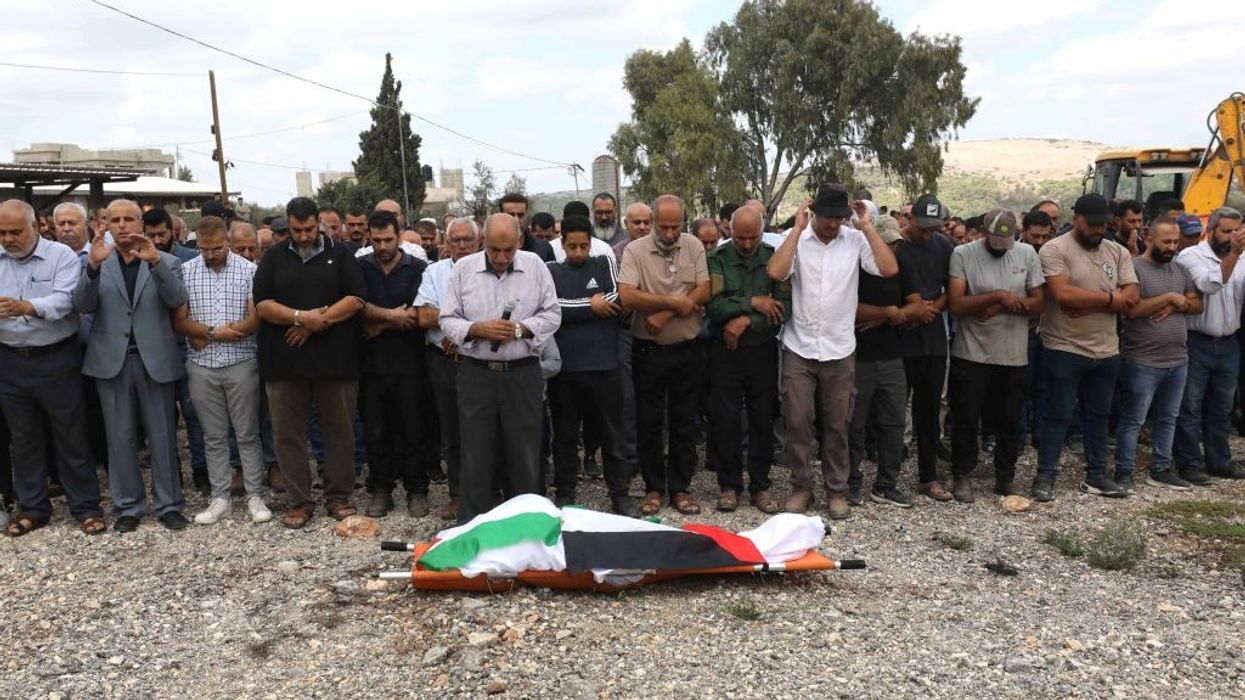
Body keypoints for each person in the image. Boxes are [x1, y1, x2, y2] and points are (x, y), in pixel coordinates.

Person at [768, 185, 898, 519]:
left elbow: (888, 269)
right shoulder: (796, 239)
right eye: (826, 216)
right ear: (814, 212)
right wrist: (796, 229)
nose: (832, 223)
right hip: (799, 345)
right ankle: (801, 486)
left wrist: (866, 226)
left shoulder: (855, 240)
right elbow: (776, 272)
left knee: (838, 424)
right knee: (797, 421)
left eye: (838, 218)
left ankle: (836, 490)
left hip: (839, 348)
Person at [74, 199, 190, 533]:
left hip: (155, 359)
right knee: (119, 437)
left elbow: (177, 299)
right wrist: (92, 269)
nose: (122, 225)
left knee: (163, 436)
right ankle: (128, 506)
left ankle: (169, 505)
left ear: (140, 223)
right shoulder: (96, 260)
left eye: (129, 219)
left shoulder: (166, 260)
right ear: (105, 224)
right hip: (112, 361)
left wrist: (156, 263)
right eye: (115, 220)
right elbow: (82, 304)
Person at [438, 213, 561, 524]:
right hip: (477, 373)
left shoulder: (535, 265)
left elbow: (552, 314)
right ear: (483, 242)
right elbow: (447, 319)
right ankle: (473, 529)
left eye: (509, 250)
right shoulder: (463, 269)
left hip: (522, 373)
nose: (502, 257)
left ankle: (525, 528)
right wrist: (477, 329)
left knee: (524, 455)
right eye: (494, 250)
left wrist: (520, 329)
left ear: (519, 241)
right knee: (476, 456)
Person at [253, 197, 367, 528]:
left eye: (308, 229)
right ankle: (300, 500)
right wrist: (301, 317)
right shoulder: (274, 257)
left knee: (339, 430)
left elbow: (356, 299)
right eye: (296, 230)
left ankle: (338, 496)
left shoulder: (341, 253)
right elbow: (262, 304)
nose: (303, 236)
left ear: (319, 223)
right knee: (288, 434)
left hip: (335, 359)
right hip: (284, 362)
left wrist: (318, 322)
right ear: (288, 226)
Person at [0, 200, 105, 536]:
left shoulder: (61, 256)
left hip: (56, 358)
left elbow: (65, 300)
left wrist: (25, 306)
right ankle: (33, 508)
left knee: (71, 435)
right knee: (24, 439)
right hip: (10, 361)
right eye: (1, 232)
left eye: (15, 231)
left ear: (36, 227)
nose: (7, 239)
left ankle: (86, 507)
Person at [1034, 194, 1140, 501]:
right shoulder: (1056, 249)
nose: (1097, 230)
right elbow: (1063, 294)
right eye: (1091, 224)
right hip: (1064, 346)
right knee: (1058, 414)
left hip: (1106, 350)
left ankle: (1096, 475)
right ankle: (1046, 475)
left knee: (1099, 415)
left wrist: (1093, 302)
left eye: (1102, 225)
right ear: (1076, 218)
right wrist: (1110, 299)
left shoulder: (1117, 251)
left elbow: (1132, 295)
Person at [171, 216, 270, 524]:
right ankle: (220, 497)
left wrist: (210, 333)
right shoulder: (186, 271)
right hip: (202, 364)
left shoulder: (249, 270)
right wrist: (214, 332)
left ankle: (255, 494)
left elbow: (256, 319)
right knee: (212, 435)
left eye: (216, 248)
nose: (210, 254)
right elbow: (179, 320)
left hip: (241, 361)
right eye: (204, 249)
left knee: (247, 433)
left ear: (228, 241)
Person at [618, 195, 710, 516]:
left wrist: (663, 314)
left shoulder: (693, 245)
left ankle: (681, 487)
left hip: (687, 349)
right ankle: (654, 487)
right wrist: (674, 302)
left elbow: (704, 290)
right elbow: (627, 296)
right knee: (649, 422)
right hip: (648, 351)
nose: (670, 234)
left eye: (675, 227)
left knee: (685, 421)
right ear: (654, 222)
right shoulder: (635, 250)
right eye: (664, 227)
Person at [946, 210, 1045, 501]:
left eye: (1006, 242)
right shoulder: (963, 254)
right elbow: (956, 304)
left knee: (1010, 419)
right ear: (983, 232)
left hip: (1013, 353)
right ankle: (962, 473)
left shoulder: (1026, 254)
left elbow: (1039, 302)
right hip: (971, 351)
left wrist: (999, 307)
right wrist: (998, 296)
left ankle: (1005, 474)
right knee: (966, 416)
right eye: (995, 241)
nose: (1001, 248)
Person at [545, 215, 635, 515]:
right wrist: (591, 305)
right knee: (565, 436)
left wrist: (582, 307)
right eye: (572, 246)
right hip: (566, 369)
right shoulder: (551, 270)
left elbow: (616, 297)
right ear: (562, 244)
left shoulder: (603, 262)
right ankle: (566, 493)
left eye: (583, 246)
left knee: (613, 433)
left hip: (604, 365)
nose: (578, 252)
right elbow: (552, 308)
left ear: (591, 243)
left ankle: (619, 494)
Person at [705, 205, 789, 514]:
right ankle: (729, 485)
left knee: (763, 417)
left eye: (753, 237)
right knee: (726, 419)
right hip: (725, 352)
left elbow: (783, 308)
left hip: (761, 350)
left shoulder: (774, 258)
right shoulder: (717, 259)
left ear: (762, 231)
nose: (747, 243)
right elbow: (714, 305)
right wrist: (754, 302)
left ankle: (760, 485)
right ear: (730, 230)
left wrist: (745, 320)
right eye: (740, 237)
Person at [1115, 217, 1203, 491]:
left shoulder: (1179, 269)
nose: (1173, 247)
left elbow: (1197, 303)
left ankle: (1161, 468)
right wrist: (1168, 298)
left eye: (1176, 242)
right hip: (1143, 360)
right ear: (1149, 238)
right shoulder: (1134, 268)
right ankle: (1124, 472)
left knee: (1168, 418)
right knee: (1134, 419)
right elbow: (1131, 309)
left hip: (1178, 360)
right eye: (1167, 242)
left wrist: (1177, 304)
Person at [355, 211, 429, 517]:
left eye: (388, 239)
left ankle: (417, 489)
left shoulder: (418, 269)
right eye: (377, 240)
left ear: (399, 236)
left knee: (414, 428)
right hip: (370, 365)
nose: (383, 246)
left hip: (410, 363)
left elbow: (417, 313)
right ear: (369, 238)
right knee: (376, 431)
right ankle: (381, 489)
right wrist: (392, 316)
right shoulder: (360, 268)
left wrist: (379, 322)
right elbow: (356, 307)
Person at [847, 218, 919, 508]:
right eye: (885, 242)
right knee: (853, 425)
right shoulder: (854, 266)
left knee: (893, 423)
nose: (890, 248)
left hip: (892, 357)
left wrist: (885, 315)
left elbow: (917, 305)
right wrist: (889, 312)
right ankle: (851, 482)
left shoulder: (902, 266)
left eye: (894, 243)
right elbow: (845, 307)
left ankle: (886, 484)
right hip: (857, 357)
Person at [415, 217, 481, 520]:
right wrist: (461, 326)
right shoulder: (434, 272)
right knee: (452, 432)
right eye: (457, 240)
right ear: (446, 243)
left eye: (468, 240)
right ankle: (458, 494)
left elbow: (497, 315)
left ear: (478, 242)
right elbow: (424, 317)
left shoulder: (490, 270)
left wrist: (460, 331)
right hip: (445, 362)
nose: (463, 245)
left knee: (484, 430)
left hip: (480, 360)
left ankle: (488, 492)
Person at [1174, 206, 1245, 482]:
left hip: (1229, 343)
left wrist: (1237, 254)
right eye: (1226, 231)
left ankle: (1219, 461)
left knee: (1222, 407)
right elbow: (1208, 284)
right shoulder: (1191, 256)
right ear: (1210, 230)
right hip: (1197, 341)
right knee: (1190, 406)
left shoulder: (1242, 256)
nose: (1232, 237)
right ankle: (1189, 463)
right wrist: (1234, 254)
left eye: (1236, 231)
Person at [895, 194, 956, 501]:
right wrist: (912, 312)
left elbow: (953, 286)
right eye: (923, 228)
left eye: (934, 228)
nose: (928, 234)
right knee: (894, 411)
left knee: (930, 411)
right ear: (909, 220)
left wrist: (933, 309)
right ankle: (887, 476)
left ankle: (928, 476)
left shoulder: (943, 245)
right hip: (901, 335)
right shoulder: (896, 247)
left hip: (932, 338)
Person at [498, 192, 555, 262]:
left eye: (521, 215)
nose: (516, 220)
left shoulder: (543, 248)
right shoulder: (490, 248)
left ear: (526, 215)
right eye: (511, 215)